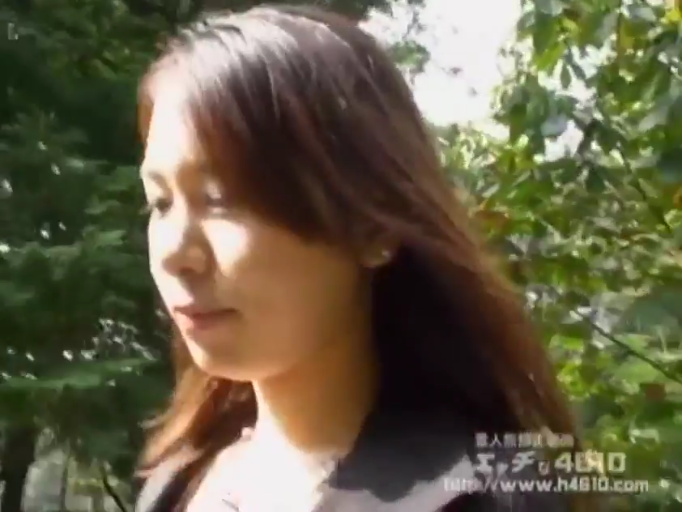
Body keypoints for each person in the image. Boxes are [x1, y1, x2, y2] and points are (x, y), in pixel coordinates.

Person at [133, 5, 586, 512]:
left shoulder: (485, 496)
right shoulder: (179, 482)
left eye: (221, 200)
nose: (175, 254)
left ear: (373, 226)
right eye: (160, 203)